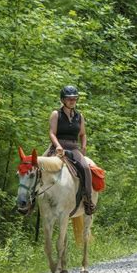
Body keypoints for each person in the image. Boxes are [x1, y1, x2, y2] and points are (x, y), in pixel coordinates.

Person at [46, 85, 95, 215]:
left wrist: (84, 146)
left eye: (74, 98)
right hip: (58, 146)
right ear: (63, 100)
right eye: (69, 99)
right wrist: (57, 146)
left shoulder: (80, 116)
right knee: (38, 168)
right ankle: (32, 199)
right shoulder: (56, 114)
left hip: (73, 147)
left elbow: (83, 134)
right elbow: (52, 133)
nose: (72, 101)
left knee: (85, 168)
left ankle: (87, 199)